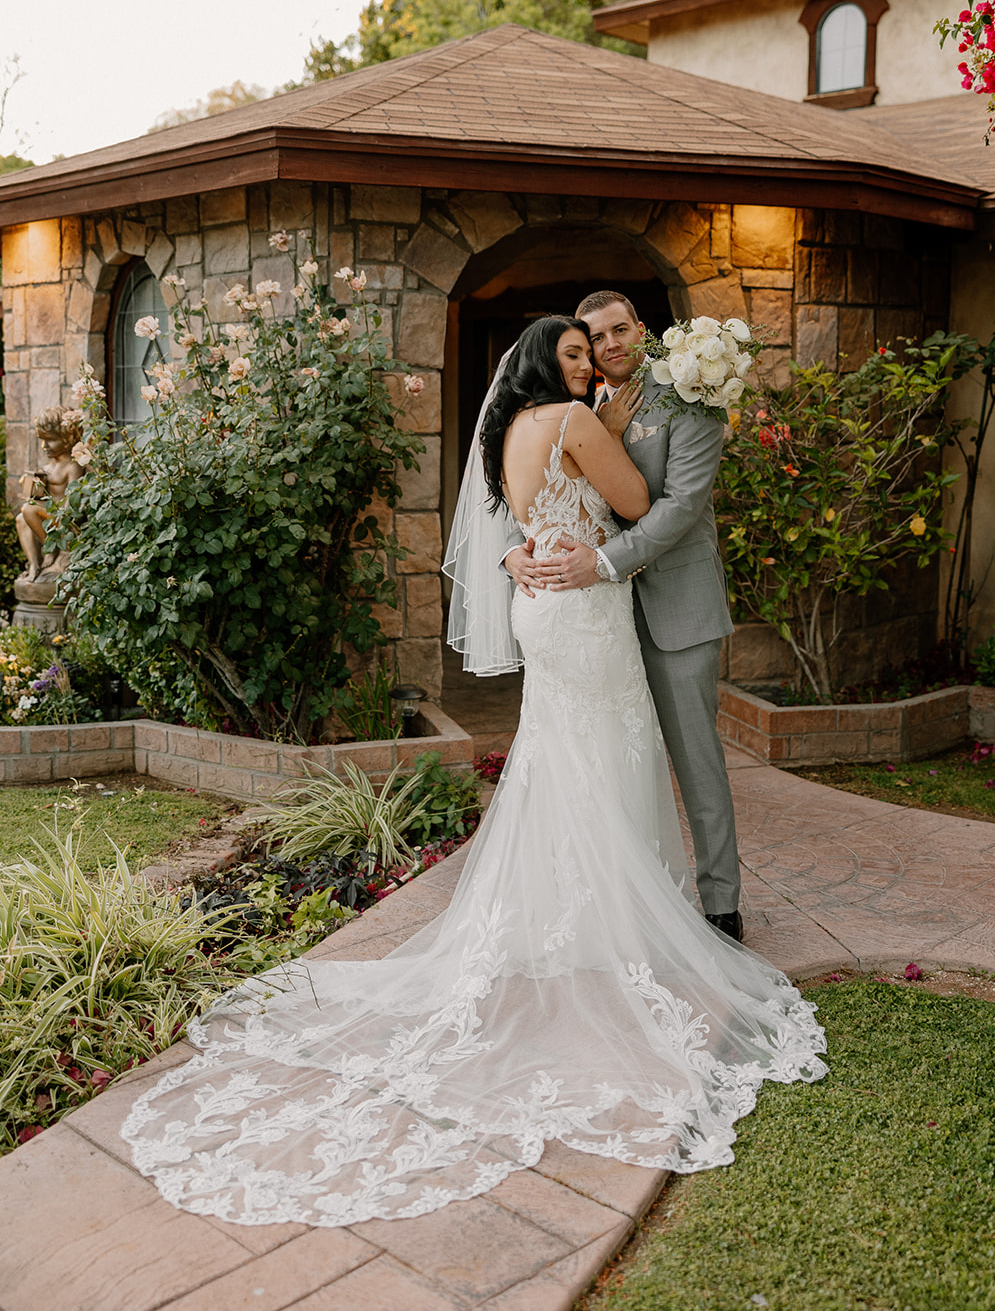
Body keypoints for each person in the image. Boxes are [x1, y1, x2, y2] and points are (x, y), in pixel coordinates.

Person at [122, 316, 826, 1228]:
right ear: (546, 365)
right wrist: (601, 460)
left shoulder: (508, 431)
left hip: (551, 613)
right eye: (575, 351)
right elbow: (635, 504)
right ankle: (622, 922)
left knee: (554, 759)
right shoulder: (573, 422)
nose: (590, 358)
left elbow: (508, 513)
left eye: (598, 345)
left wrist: (535, 538)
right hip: (584, 609)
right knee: (607, 755)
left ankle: (561, 917)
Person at [504, 292, 743, 941]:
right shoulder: (583, 412)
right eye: (592, 337)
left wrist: (604, 563)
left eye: (618, 330)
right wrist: (512, 551)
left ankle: (721, 905)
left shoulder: (689, 400)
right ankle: (629, 904)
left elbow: (680, 507)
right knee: (616, 764)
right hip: (599, 621)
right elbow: (536, 490)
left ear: (642, 331)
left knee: (696, 762)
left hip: (674, 611)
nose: (607, 345)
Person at [16, 407, 85, 581]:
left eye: (50, 440)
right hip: (48, 515)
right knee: (20, 518)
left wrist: (65, 519)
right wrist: (30, 486)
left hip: (64, 517)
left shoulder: (73, 466)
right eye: (42, 440)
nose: (44, 446)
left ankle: (50, 546)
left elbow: (73, 498)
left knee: (28, 510)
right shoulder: (49, 467)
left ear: (68, 438)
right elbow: (38, 497)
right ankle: (34, 564)